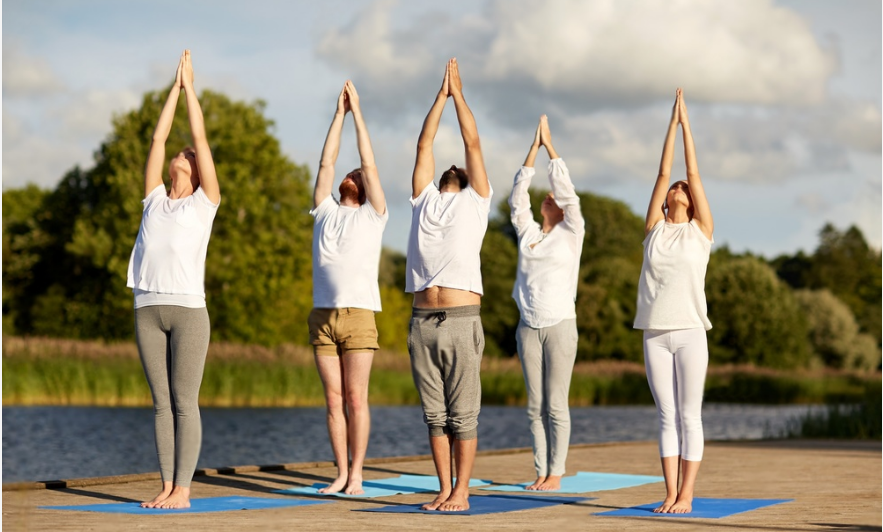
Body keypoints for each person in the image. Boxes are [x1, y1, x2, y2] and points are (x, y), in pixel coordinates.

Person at [126, 50, 221, 509]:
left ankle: (184, 489)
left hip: (188, 310)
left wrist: (191, 90)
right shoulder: (154, 200)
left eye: (191, 155)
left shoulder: (204, 203)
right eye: (179, 154)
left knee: (185, 401)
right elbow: (158, 137)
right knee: (161, 403)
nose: (184, 153)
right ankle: (166, 485)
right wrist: (172, 89)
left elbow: (198, 136)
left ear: (198, 169)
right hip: (147, 307)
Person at [405, 58, 491, 512]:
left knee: (464, 414)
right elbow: (425, 142)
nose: (452, 168)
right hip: (421, 320)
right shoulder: (423, 201)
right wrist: (438, 97)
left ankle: (463, 491)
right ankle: (444, 487)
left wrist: (458, 95)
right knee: (434, 415)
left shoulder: (476, 203)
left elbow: (472, 140)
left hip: (459, 319)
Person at [634, 88, 714, 514]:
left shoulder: (700, 231)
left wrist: (686, 126)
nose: (681, 187)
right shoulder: (654, 228)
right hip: (654, 331)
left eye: (685, 188)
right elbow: (665, 172)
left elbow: (692, 173)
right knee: (665, 416)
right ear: (667, 200)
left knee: (689, 415)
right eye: (675, 188)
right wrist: (669, 124)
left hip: (689, 332)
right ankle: (669, 492)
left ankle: (687, 493)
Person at [308, 80, 387, 496]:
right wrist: (337, 114)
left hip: (358, 314)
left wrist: (357, 113)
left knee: (356, 399)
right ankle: (339, 472)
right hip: (322, 315)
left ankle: (357, 474)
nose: (352, 175)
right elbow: (326, 162)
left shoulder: (374, 215)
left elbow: (369, 165)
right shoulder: (324, 210)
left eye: (358, 175)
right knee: (333, 401)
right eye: (350, 174)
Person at [508, 115, 585, 491]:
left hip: (559, 325)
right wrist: (532, 152)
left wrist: (550, 147)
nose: (549, 197)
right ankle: (541, 471)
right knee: (533, 406)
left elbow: (568, 192)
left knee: (556, 404)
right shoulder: (529, 234)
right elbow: (516, 199)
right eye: (548, 196)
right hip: (528, 326)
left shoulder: (572, 232)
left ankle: (557, 472)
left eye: (553, 198)